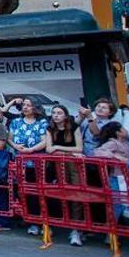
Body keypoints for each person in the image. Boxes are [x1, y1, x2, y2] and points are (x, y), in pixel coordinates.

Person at [42, 104, 85, 246]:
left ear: (65, 115)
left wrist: (58, 148)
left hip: (73, 165)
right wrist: (68, 152)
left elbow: (79, 148)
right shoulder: (50, 129)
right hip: (56, 165)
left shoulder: (73, 127)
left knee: (76, 192)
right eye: (54, 112)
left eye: (59, 113)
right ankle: (57, 223)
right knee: (58, 193)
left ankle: (76, 228)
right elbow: (48, 149)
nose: (56, 115)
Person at [9, 97, 48, 235]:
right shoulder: (16, 122)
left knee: (40, 192)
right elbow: (9, 138)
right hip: (20, 162)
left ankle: (45, 222)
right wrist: (15, 146)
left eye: (29, 105)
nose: (25, 107)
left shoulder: (42, 122)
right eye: (24, 105)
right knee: (25, 193)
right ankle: (32, 221)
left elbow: (45, 141)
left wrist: (31, 150)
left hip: (36, 162)